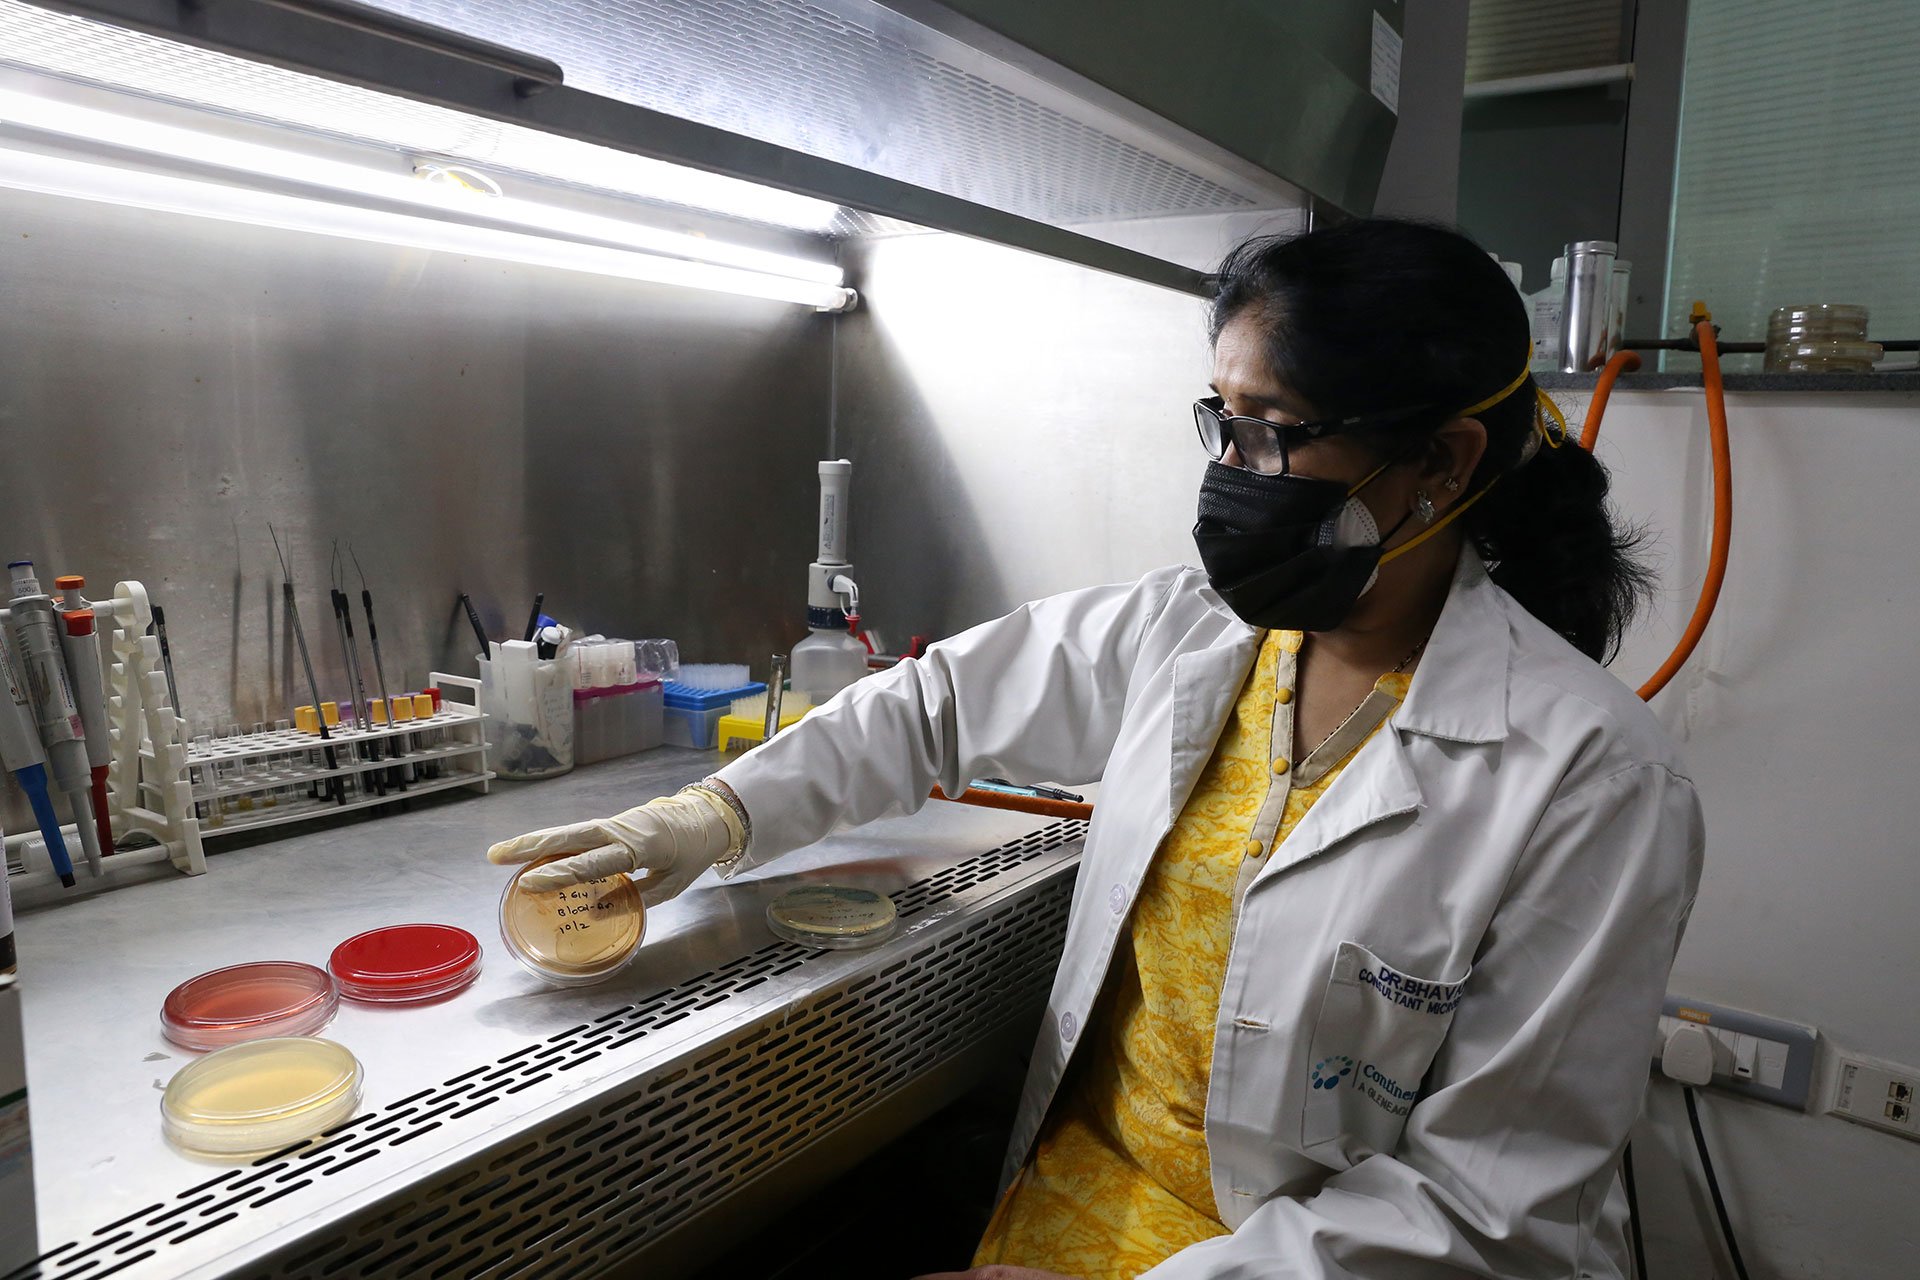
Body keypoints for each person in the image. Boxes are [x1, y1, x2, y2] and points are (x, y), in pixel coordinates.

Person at [487, 219, 1704, 1279]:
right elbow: (938, 704)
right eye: (1220, 423)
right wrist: (711, 818)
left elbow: (1484, 1215)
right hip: (1076, 1198)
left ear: (1442, 463)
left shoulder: (1591, 780)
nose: (1232, 474)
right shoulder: (1194, 631)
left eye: (1274, 431)